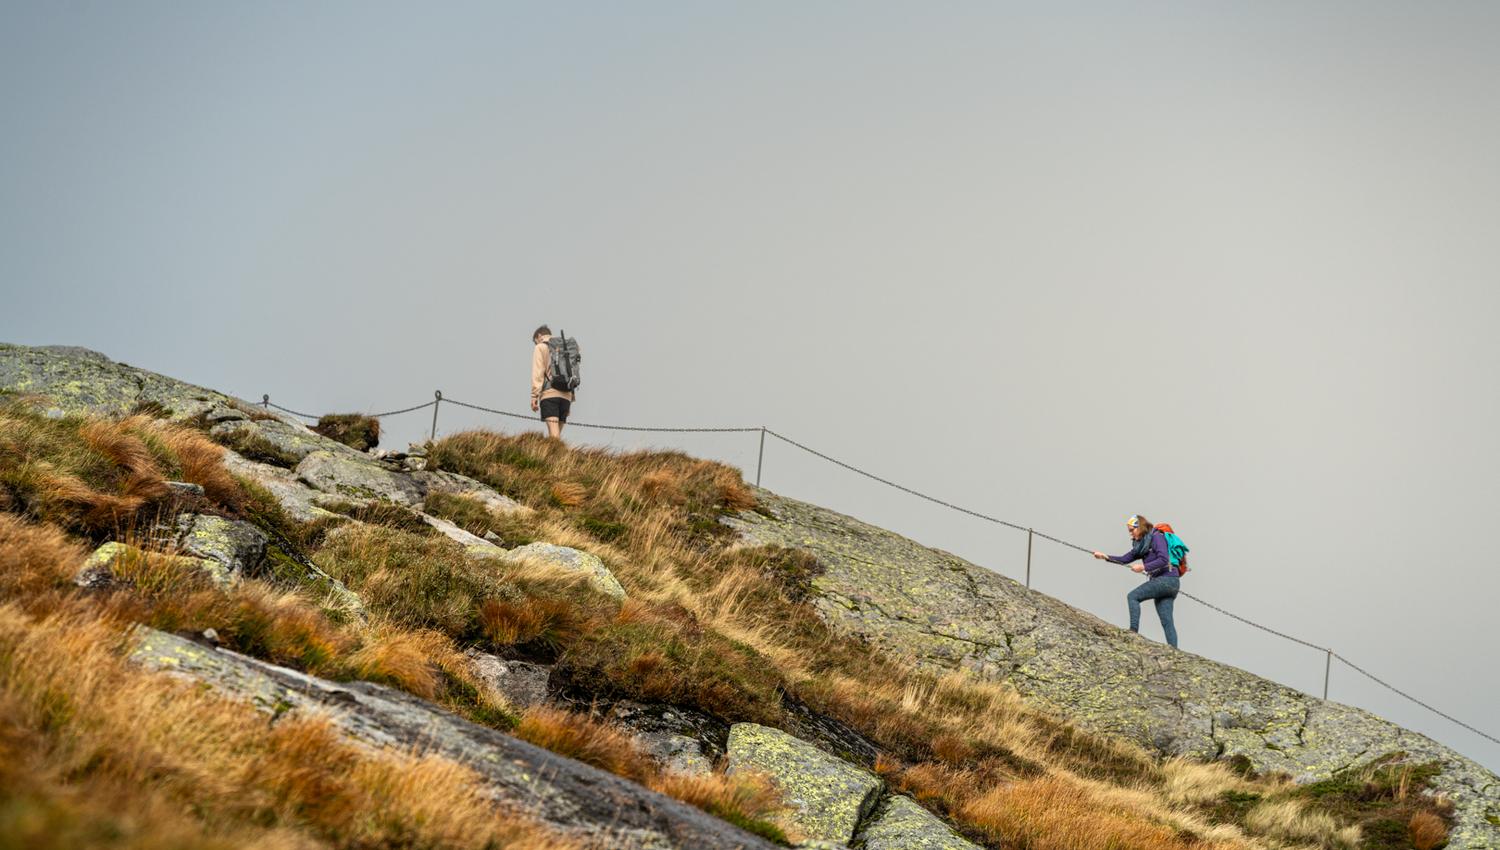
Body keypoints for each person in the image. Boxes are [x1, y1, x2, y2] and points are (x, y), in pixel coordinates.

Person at [1092, 515, 1180, 648]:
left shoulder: (1156, 537)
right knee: (1167, 621)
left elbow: (1164, 559)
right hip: (1169, 583)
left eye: (1132, 530)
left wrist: (1143, 567)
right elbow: (1124, 559)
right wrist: (1105, 557)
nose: (1131, 534)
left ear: (1140, 527)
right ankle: (1175, 652)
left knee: (1133, 596)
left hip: (1166, 580)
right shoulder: (1142, 546)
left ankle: (1133, 632)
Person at [530, 325, 574, 440]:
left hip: (550, 395)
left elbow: (538, 372)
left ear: (539, 336)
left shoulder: (540, 347)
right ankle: (558, 457)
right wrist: (572, 399)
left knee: (554, 438)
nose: (536, 344)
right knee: (555, 437)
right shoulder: (564, 347)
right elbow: (571, 372)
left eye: (535, 341)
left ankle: (561, 456)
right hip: (567, 396)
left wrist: (534, 396)